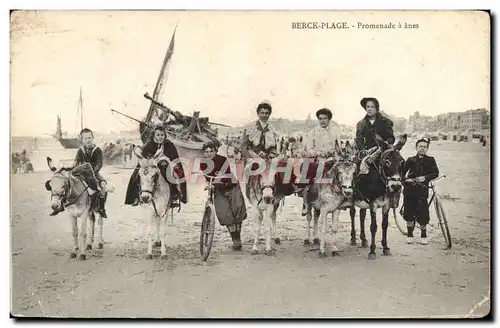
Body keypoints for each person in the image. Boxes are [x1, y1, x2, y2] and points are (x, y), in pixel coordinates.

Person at [50, 128, 109, 218]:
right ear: (82, 140)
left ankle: (101, 208)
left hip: (94, 173)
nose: (88, 140)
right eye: (85, 139)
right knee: (68, 184)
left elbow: (99, 163)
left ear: (93, 138)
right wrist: (68, 168)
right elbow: (76, 163)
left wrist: (94, 172)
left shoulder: (97, 150)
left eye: (90, 138)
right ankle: (61, 205)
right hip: (82, 173)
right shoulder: (81, 150)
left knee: (103, 186)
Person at [124, 125, 188, 207]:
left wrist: (170, 162)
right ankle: (135, 196)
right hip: (150, 165)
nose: (160, 137)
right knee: (136, 174)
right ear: (154, 135)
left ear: (165, 136)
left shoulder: (169, 145)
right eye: (158, 135)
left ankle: (173, 195)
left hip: (166, 165)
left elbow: (175, 158)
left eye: (162, 135)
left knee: (171, 173)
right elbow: (145, 157)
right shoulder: (149, 145)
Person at [200, 141, 247, 250]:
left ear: (215, 151)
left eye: (211, 151)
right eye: (206, 152)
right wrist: (210, 184)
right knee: (225, 213)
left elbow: (225, 173)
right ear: (203, 153)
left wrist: (216, 181)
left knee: (237, 210)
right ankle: (234, 239)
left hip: (231, 186)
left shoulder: (222, 159)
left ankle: (238, 239)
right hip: (218, 190)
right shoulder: (203, 163)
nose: (209, 154)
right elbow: (207, 176)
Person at [354, 97, 396, 217]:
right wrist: (363, 151)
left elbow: (391, 138)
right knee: (355, 168)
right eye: (368, 107)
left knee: (396, 166)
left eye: (372, 107)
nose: (370, 109)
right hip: (367, 153)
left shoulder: (386, 122)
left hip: (383, 151)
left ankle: (394, 198)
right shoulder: (361, 124)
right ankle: (357, 194)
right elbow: (358, 139)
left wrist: (385, 144)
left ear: (377, 108)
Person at [296, 108, 342, 215]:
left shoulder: (335, 132)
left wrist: (332, 152)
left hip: (331, 160)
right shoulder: (312, 133)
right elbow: (308, 149)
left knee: (344, 172)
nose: (322, 121)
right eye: (320, 118)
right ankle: (305, 201)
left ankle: (343, 198)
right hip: (318, 160)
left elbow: (338, 148)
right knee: (306, 167)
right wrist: (319, 153)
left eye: (325, 118)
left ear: (329, 119)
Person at [402, 137, 439, 245]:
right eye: (420, 146)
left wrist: (425, 178)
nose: (422, 148)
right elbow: (402, 174)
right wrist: (406, 180)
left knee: (423, 214)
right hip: (409, 191)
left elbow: (435, 173)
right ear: (416, 148)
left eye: (424, 147)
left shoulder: (431, 160)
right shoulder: (410, 160)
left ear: (427, 149)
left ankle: (423, 235)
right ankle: (410, 235)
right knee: (409, 214)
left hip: (422, 191)